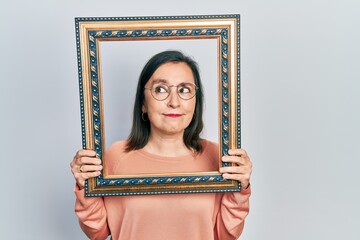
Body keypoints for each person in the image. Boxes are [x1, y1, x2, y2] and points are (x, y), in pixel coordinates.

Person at [70, 50, 252, 240]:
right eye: (161, 89)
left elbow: (227, 234)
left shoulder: (219, 157)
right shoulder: (115, 156)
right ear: (143, 103)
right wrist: (85, 185)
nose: (174, 102)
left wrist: (240, 188)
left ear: (196, 101)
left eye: (184, 90)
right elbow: (96, 232)